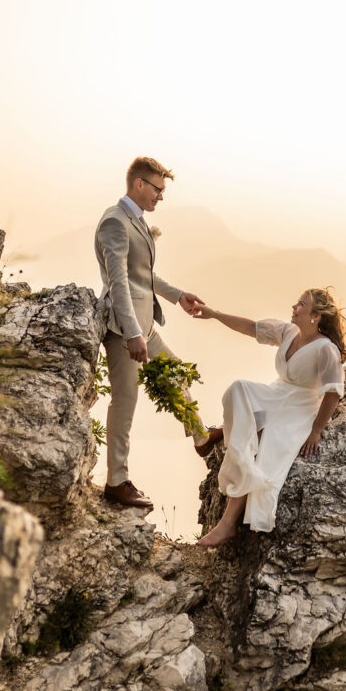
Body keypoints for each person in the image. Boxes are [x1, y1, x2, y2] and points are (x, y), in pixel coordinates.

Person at [95, 156, 223, 510]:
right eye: (157, 189)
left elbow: (141, 275)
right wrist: (133, 333)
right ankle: (116, 482)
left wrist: (177, 294)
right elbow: (118, 282)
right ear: (139, 184)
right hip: (125, 329)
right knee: (126, 402)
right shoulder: (115, 222)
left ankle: (200, 437)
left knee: (175, 371)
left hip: (144, 324)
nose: (161, 197)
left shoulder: (136, 221)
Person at [192, 287, 346, 546]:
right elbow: (250, 327)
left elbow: (333, 393)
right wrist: (214, 314)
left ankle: (226, 525)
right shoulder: (289, 332)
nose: (294, 307)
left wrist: (315, 430)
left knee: (261, 441)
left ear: (315, 315)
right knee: (238, 389)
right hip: (276, 394)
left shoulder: (326, 349)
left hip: (299, 407)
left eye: (301, 305)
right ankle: (226, 430)